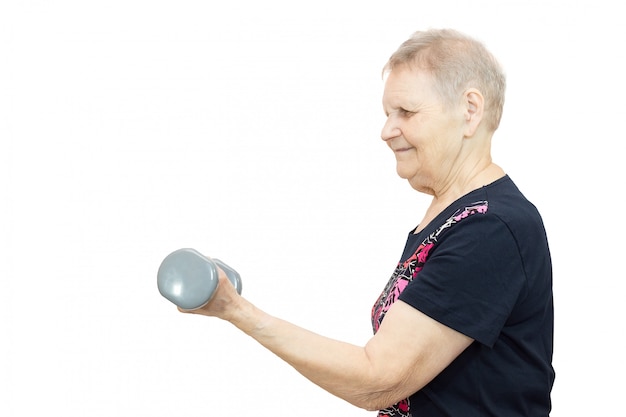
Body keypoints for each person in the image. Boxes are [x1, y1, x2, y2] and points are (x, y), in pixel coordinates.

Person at [179, 28, 555, 416]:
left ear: (469, 110)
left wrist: (235, 310)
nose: (386, 131)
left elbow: (379, 379)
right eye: (388, 114)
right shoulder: (453, 218)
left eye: (406, 112)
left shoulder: (490, 229)